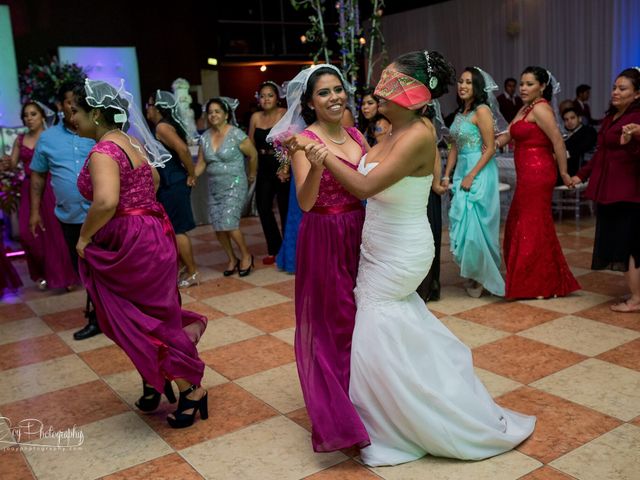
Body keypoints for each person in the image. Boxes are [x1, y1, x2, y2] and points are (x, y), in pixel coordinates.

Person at [296, 50, 535, 467]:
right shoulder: (387, 130)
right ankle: (419, 400)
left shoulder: (420, 134)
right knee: (397, 326)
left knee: (372, 326)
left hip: (402, 249)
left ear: (412, 92)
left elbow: (364, 187)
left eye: (389, 80)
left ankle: (397, 424)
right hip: (377, 245)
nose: (377, 88)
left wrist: (319, 153)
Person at [72, 79, 208, 429]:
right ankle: (153, 378)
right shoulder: (132, 143)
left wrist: (85, 238)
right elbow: (156, 183)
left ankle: (190, 388)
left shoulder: (104, 152)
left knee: (141, 320)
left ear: (97, 115)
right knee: (146, 313)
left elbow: (105, 201)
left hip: (130, 242)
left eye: (77, 112)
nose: (73, 119)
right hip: (153, 232)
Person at [268, 64, 371, 453]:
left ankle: (363, 398)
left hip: (359, 230)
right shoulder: (301, 141)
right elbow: (306, 202)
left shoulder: (358, 135)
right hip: (324, 234)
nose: (335, 97)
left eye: (338, 90)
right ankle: (337, 413)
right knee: (335, 319)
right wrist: (315, 164)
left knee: (363, 315)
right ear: (310, 102)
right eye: (324, 93)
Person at [496, 67, 580, 299]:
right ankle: (543, 281)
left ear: (542, 86)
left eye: (529, 84)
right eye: (522, 83)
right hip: (526, 173)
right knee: (526, 223)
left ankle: (536, 284)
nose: (523, 87)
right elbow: (509, 133)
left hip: (538, 172)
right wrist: (492, 143)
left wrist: (563, 172)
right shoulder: (525, 108)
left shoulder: (542, 109)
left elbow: (558, 142)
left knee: (530, 225)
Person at [30, 82, 100, 340]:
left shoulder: (95, 132)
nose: (73, 106)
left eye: (77, 101)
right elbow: (38, 176)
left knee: (107, 268)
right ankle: (97, 318)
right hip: (70, 218)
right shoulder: (47, 139)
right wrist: (35, 211)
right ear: (60, 105)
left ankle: (113, 315)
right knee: (85, 271)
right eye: (69, 101)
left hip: (102, 215)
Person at [571, 67, 640, 312]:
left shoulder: (637, 118)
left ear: (637, 94)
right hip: (610, 189)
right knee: (624, 244)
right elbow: (601, 154)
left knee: (630, 246)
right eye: (614, 87)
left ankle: (636, 299)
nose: (615, 92)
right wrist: (580, 175)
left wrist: (634, 139)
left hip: (629, 192)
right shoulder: (613, 116)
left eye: (623, 89)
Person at [442, 67, 506, 298]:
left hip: (480, 170)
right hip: (462, 170)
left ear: (477, 86)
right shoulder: (460, 114)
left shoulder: (482, 110)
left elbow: (490, 148)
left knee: (478, 226)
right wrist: (447, 174)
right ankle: (473, 273)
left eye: (468, 82)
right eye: (460, 81)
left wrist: (472, 175)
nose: (462, 85)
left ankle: (483, 277)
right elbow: (454, 147)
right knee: (463, 224)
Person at [1, 101, 78, 290]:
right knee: (28, 235)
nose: (29, 118)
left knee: (55, 233)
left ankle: (65, 276)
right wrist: (5, 164)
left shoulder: (50, 137)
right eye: (26, 115)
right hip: (28, 187)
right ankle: (41, 272)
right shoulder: (20, 139)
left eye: (33, 114)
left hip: (50, 186)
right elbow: (12, 164)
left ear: (42, 116)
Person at [196, 97, 257, 276]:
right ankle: (232, 258)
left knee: (229, 223)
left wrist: (251, 174)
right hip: (214, 187)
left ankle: (246, 255)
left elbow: (253, 155)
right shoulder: (205, 137)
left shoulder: (237, 134)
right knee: (218, 226)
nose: (213, 115)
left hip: (235, 183)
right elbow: (201, 163)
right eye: (210, 112)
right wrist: (192, 176)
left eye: (217, 111)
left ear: (226, 115)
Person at [146, 91, 199, 288]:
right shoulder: (163, 126)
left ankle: (193, 272)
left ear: (158, 108)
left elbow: (183, 149)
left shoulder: (161, 127)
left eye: (149, 105)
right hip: (170, 183)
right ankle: (186, 267)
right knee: (173, 228)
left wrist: (192, 174)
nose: (147, 110)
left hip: (174, 183)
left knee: (178, 229)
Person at [248, 81, 289, 265]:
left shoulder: (283, 114)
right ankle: (275, 248)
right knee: (263, 207)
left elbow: (289, 143)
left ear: (277, 97)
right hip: (263, 165)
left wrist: (285, 167)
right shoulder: (255, 117)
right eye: (262, 96)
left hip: (281, 162)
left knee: (285, 208)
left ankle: (289, 249)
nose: (266, 99)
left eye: (270, 95)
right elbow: (250, 145)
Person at [560, 106, 597, 181]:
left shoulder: (588, 131)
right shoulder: (565, 134)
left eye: (572, 118)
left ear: (579, 119)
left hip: (576, 169)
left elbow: (580, 148)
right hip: (563, 167)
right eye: (566, 120)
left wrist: (560, 155)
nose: (569, 121)